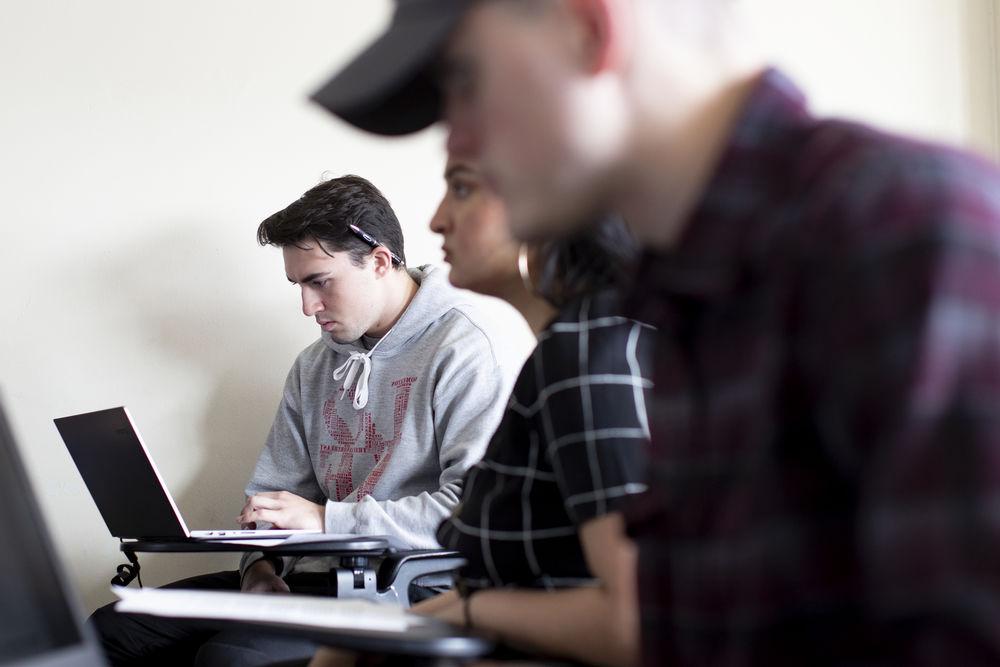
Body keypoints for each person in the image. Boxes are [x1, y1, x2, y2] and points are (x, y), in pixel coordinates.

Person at [310, 1, 1000, 665]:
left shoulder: (898, 228)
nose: (456, 138)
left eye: (463, 80)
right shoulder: (682, 299)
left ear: (588, 28)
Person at [91, 174, 528, 666]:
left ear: (380, 261)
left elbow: (476, 513)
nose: (307, 306)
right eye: (298, 285)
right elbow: (273, 496)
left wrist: (326, 519)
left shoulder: (470, 346)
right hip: (312, 580)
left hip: (411, 587)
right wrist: (259, 568)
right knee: (107, 632)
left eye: (320, 282)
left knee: (233, 657)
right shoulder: (315, 364)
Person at [311, 158, 653, 667]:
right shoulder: (568, 350)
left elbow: (635, 625)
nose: (436, 219)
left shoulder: (587, 360)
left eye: (463, 189)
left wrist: (470, 611)